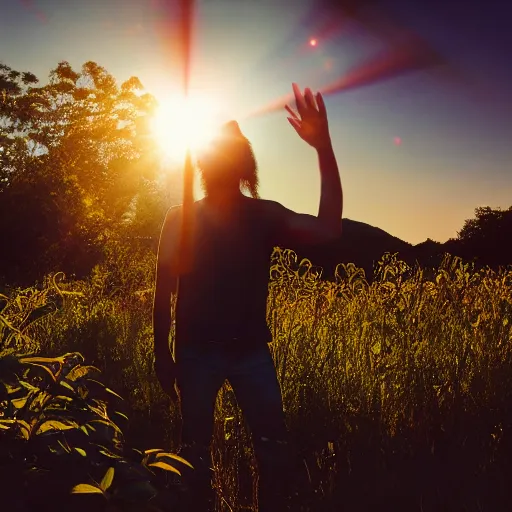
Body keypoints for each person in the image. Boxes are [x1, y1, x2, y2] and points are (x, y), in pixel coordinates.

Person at [152, 83, 343, 511]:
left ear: (243, 164)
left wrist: (323, 147)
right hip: (196, 353)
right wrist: (161, 353)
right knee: (193, 456)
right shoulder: (180, 217)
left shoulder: (264, 215)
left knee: (273, 453)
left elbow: (329, 229)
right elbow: (164, 288)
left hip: (251, 353)